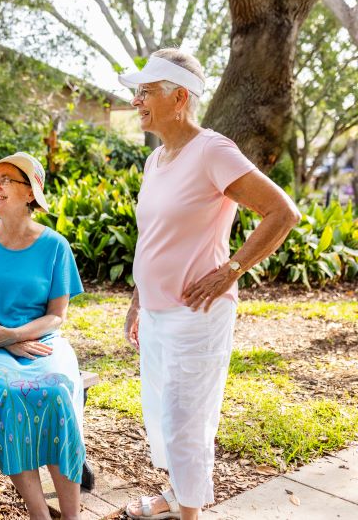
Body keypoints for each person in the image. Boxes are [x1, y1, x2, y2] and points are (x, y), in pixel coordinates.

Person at [118, 49, 300, 520]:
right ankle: (177, 493)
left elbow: (282, 212)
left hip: (196, 316)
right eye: (137, 91)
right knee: (161, 415)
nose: (137, 100)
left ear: (179, 97)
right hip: (157, 312)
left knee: (184, 421)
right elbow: (153, 236)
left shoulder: (212, 150)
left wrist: (231, 269)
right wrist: (139, 300)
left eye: (146, 91)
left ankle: (190, 513)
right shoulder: (156, 159)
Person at [0, 152, 86, 520]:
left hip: (40, 342)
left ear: (30, 194)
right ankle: (40, 514)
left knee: (56, 392)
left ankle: (72, 516)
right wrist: (5, 338)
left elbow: (56, 315)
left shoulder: (55, 245)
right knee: (11, 394)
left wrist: (16, 334)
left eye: (6, 179)